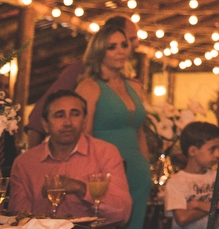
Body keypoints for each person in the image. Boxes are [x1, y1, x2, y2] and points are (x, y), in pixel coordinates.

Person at [9, 90, 132, 223]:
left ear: (84, 120)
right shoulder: (25, 163)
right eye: (59, 115)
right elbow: (19, 218)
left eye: (75, 114)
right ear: (45, 124)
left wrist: (82, 189)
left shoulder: (105, 153)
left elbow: (123, 214)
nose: (68, 122)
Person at [75, 22, 152, 229]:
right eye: (112, 47)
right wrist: (92, 177)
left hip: (138, 171)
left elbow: (140, 132)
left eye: (123, 45)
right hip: (106, 173)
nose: (120, 51)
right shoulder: (89, 86)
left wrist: (147, 168)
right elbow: (84, 136)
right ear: (99, 51)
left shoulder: (134, 86)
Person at [25, 16, 137, 147]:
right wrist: (34, 157)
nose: (136, 44)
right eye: (131, 39)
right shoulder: (81, 71)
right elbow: (39, 115)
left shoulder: (127, 81)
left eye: (125, 44)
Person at [164, 122, 219, 229]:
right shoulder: (176, 182)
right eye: (212, 149)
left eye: (218, 148)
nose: (217, 154)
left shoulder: (217, 177)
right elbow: (182, 218)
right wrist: (213, 206)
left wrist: (197, 204)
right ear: (193, 151)